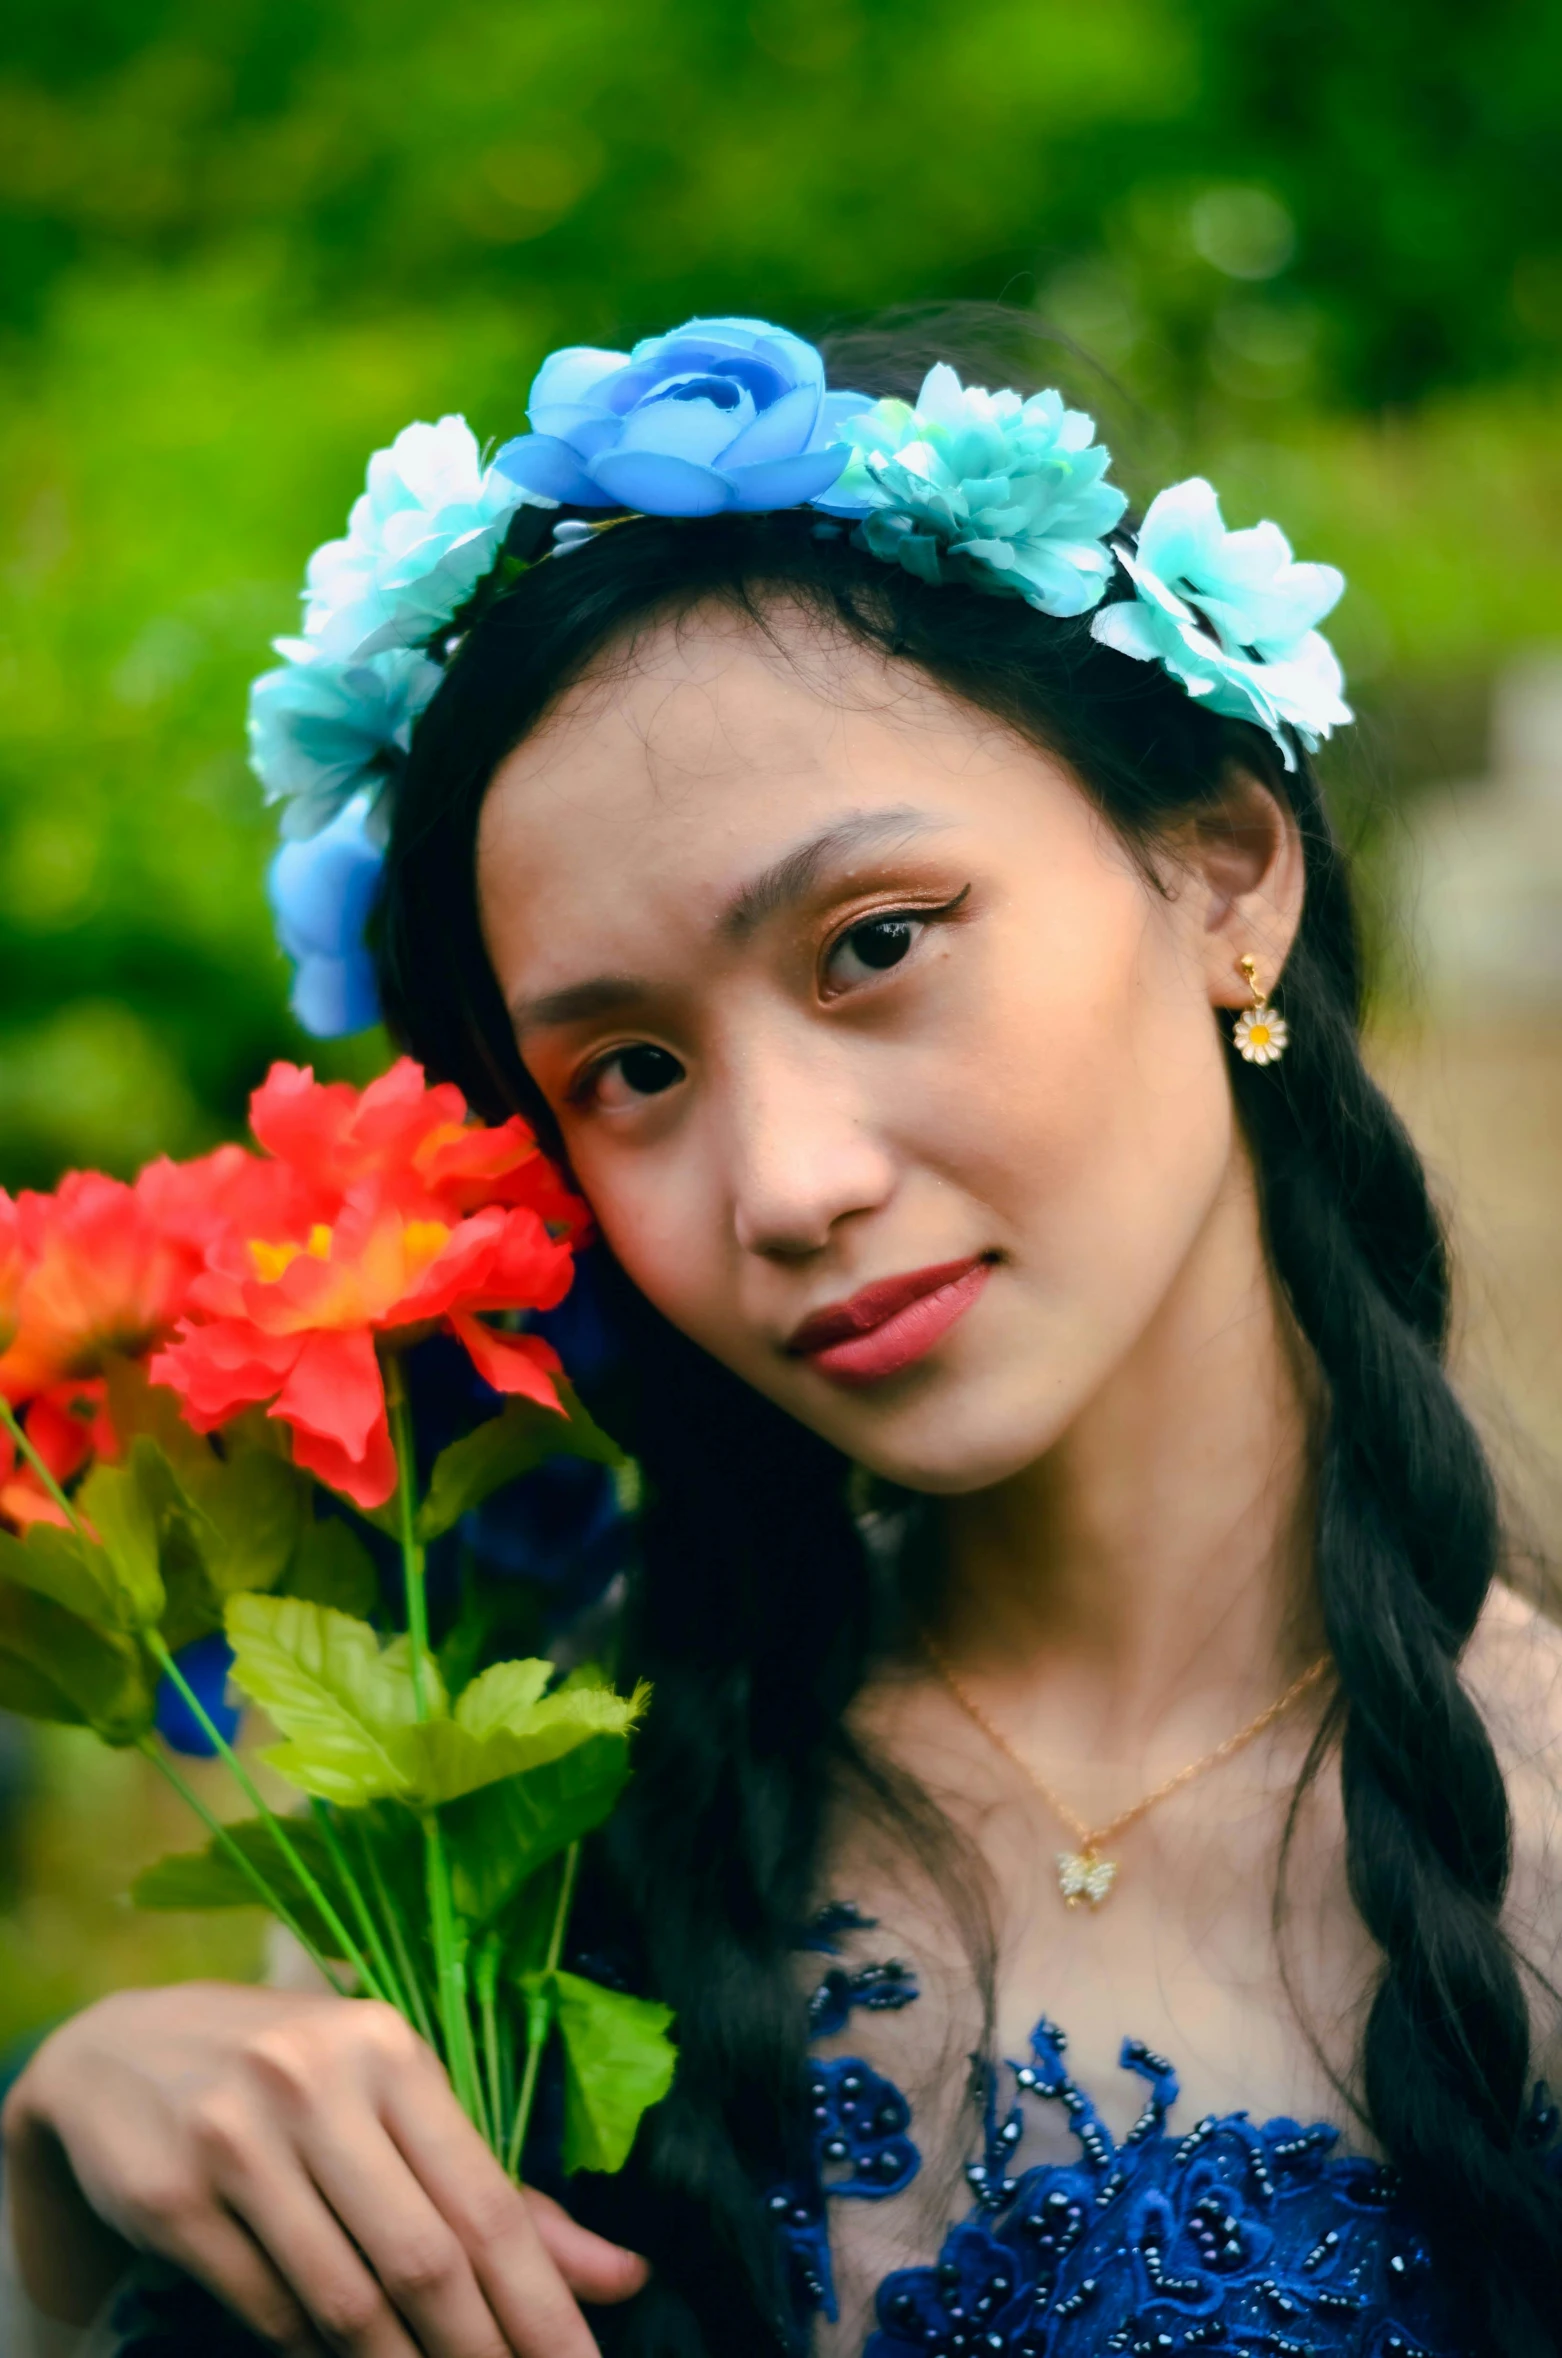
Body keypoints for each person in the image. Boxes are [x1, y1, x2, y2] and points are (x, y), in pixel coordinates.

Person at [4, 308, 1560, 2358]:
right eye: (630, 1070)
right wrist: (62, 2180)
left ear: (1220, 872)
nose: (785, 1183)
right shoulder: (541, 1856)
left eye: (873, 947)